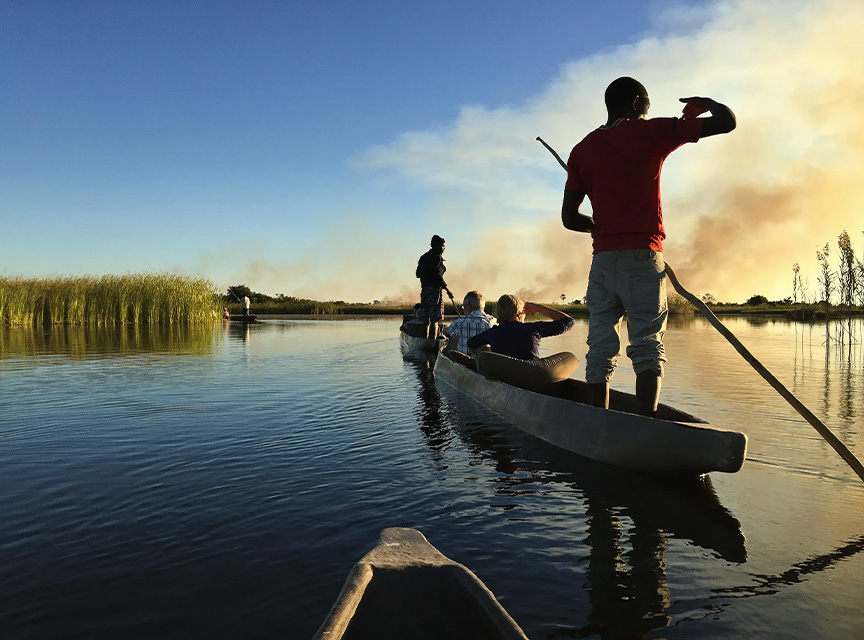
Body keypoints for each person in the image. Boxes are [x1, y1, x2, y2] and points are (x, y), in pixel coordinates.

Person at [561, 76, 736, 415]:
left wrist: (601, 224)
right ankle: (646, 424)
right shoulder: (652, 131)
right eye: (647, 107)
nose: (647, 113)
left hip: (603, 261)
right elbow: (727, 122)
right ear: (636, 103)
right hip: (643, 258)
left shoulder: (582, 150)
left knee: (600, 349)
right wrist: (706, 103)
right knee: (647, 348)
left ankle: (599, 421)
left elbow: (570, 218)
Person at [467, 294, 574, 360]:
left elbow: (470, 343)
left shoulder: (492, 333)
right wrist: (539, 308)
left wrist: (489, 350)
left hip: (505, 377)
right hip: (533, 377)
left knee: (482, 348)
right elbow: (569, 321)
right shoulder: (533, 329)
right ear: (519, 314)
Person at [415, 234, 453, 339]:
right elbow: (437, 276)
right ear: (437, 246)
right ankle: (432, 343)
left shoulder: (423, 257)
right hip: (435, 292)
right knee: (434, 320)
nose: (444, 248)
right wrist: (447, 289)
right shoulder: (437, 258)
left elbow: (418, 274)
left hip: (425, 291)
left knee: (425, 320)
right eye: (443, 246)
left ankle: (424, 342)